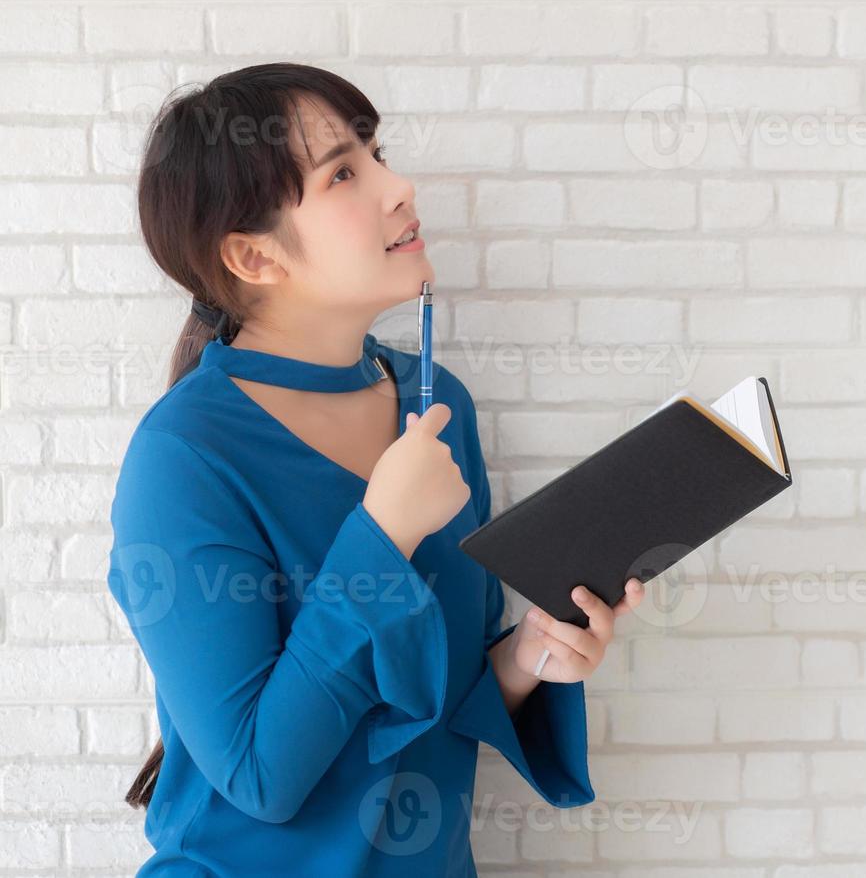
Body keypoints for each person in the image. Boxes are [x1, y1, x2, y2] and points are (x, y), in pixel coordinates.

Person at [106, 62, 644, 875]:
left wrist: (531, 658)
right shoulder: (182, 460)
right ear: (254, 257)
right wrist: (382, 534)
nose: (400, 187)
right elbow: (261, 775)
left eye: (376, 153)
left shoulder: (439, 407)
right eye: (345, 173)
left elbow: (427, 702)